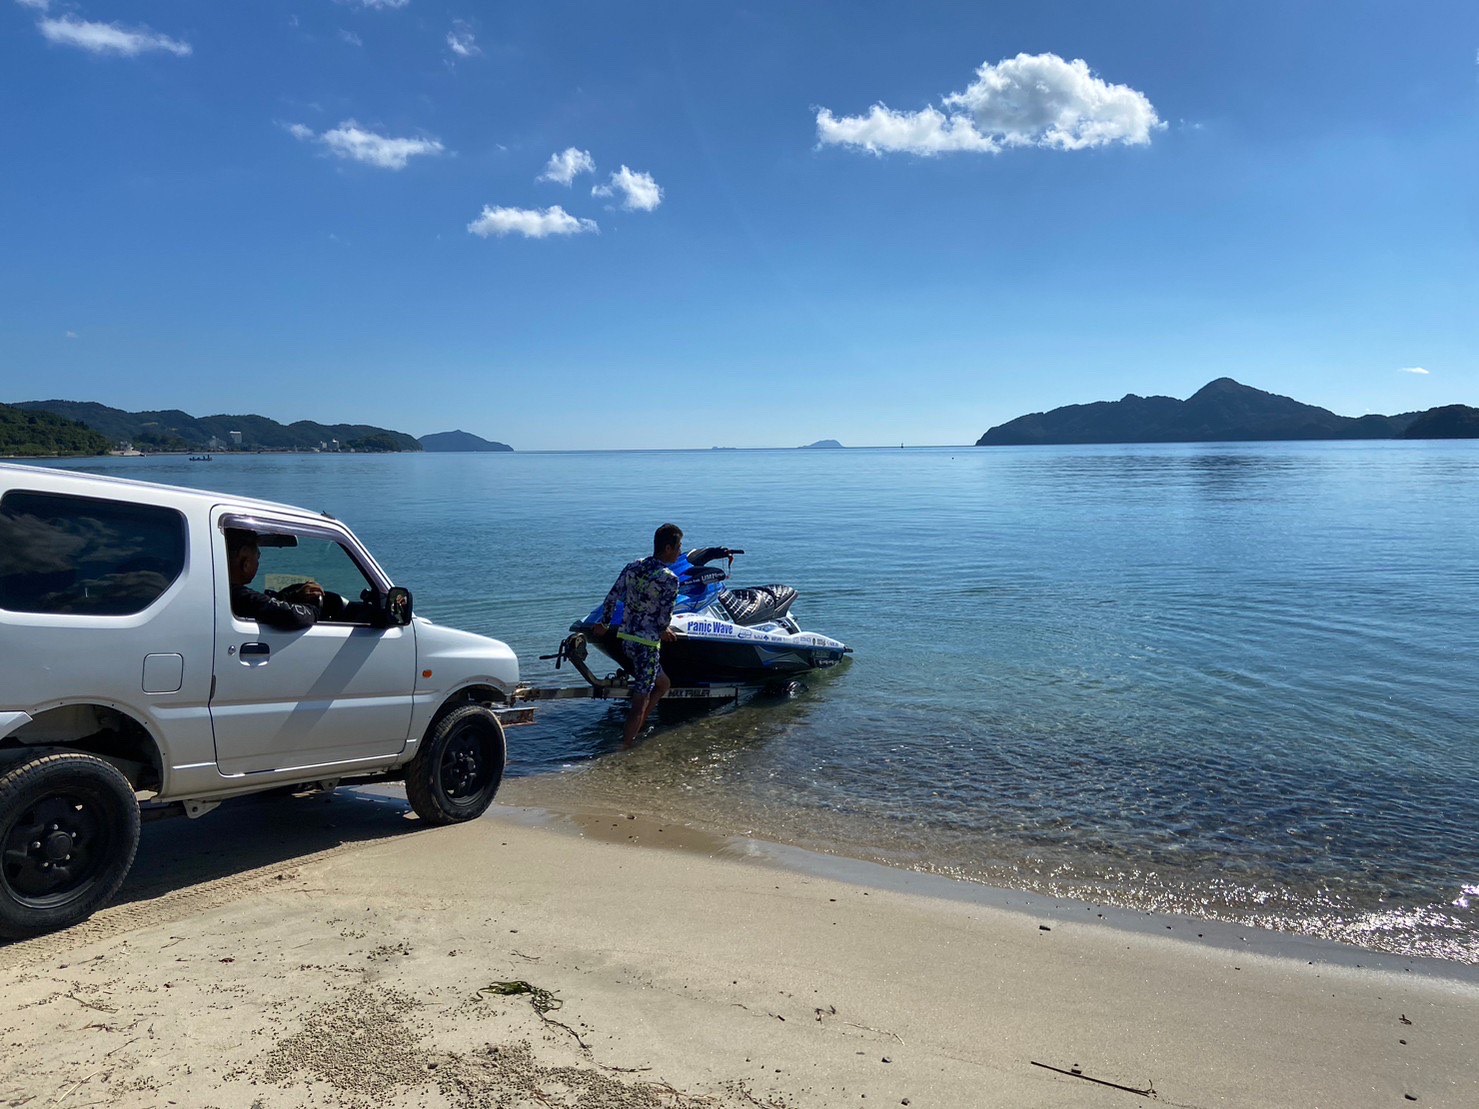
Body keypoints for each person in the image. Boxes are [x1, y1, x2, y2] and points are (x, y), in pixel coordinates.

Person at [593, 523, 685, 748]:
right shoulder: (669, 579)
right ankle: (626, 748)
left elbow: (612, 597)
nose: (680, 551)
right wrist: (663, 630)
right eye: (678, 546)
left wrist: (605, 623)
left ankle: (638, 726)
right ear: (667, 548)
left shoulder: (633, 566)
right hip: (647, 645)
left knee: (663, 684)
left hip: (627, 640)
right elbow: (664, 617)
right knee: (639, 701)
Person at [225, 527, 324, 630]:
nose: (258, 563)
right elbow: (291, 616)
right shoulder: (240, 597)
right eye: (257, 556)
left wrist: (294, 595)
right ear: (245, 562)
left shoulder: (226, 593)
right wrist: (313, 607)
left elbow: (268, 604)